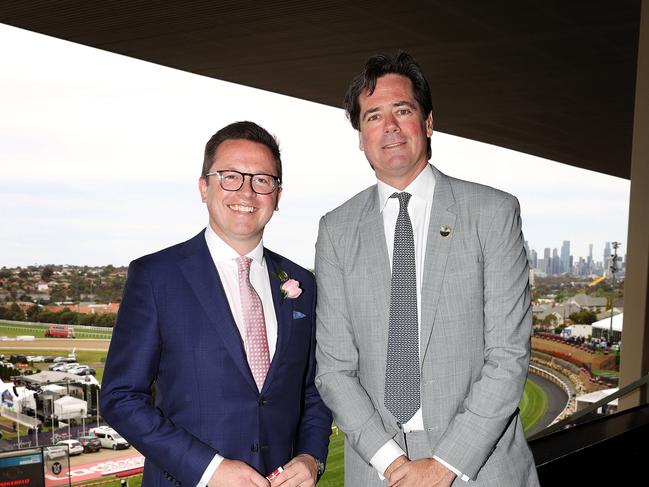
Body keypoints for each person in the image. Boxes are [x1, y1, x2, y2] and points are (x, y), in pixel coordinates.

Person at [314, 53, 539, 486]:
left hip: (481, 470)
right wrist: (396, 467)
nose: (390, 127)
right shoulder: (336, 231)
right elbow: (335, 368)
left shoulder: (492, 212)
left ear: (429, 122)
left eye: (403, 110)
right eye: (373, 116)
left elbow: (508, 356)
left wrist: (443, 466)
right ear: (361, 137)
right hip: (380, 472)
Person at [101, 121, 331, 487]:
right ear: (203, 187)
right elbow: (120, 398)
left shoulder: (302, 283)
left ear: (277, 195)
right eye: (230, 177)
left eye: (262, 179)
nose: (247, 191)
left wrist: (310, 458)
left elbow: (313, 389)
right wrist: (209, 470)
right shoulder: (156, 276)